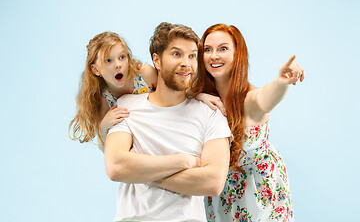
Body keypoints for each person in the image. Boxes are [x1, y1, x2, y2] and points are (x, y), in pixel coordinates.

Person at [104, 22, 231, 222]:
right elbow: (116, 167)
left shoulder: (211, 113)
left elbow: (213, 181)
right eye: (176, 54)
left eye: (192, 56)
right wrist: (184, 161)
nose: (186, 63)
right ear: (157, 60)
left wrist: (141, 173)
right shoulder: (127, 106)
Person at [192, 24, 304, 221]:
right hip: (220, 195)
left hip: (259, 195)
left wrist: (281, 81)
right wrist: (198, 95)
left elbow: (266, 98)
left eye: (223, 48)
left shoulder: (250, 99)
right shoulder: (202, 97)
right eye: (207, 49)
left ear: (238, 54)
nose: (214, 56)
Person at [68, 32, 157, 150]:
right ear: (96, 70)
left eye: (122, 57)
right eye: (108, 60)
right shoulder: (105, 99)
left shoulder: (145, 74)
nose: (118, 65)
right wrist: (104, 126)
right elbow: (104, 147)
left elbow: (171, 97)